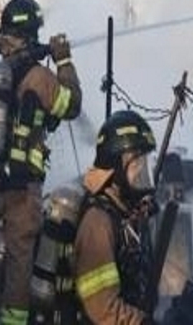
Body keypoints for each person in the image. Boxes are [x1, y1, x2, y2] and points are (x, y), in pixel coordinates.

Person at [0, 0, 83, 325]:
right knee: (20, 260)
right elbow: (71, 105)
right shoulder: (40, 79)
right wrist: (63, 61)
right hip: (22, 187)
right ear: (31, 34)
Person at [74, 110, 158, 325]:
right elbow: (102, 308)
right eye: (136, 164)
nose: (142, 172)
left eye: (144, 164)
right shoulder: (98, 223)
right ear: (116, 168)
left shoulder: (122, 212)